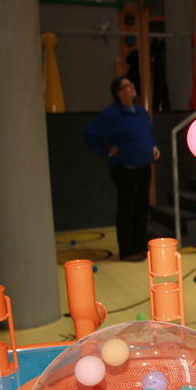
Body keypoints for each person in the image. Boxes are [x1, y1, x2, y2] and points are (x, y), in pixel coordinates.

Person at [84, 76, 160, 262]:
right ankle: (127, 250)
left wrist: (154, 147)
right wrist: (105, 151)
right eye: (127, 85)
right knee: (127, 209)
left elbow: (148, 133)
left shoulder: (141, 112)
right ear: (119, 93)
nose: (132, 87)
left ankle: (140, 246)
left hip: (144, 166)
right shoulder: (112, 114)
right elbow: (90, 133)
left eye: (132, 84)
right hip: (125, 168)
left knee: (142, 208)